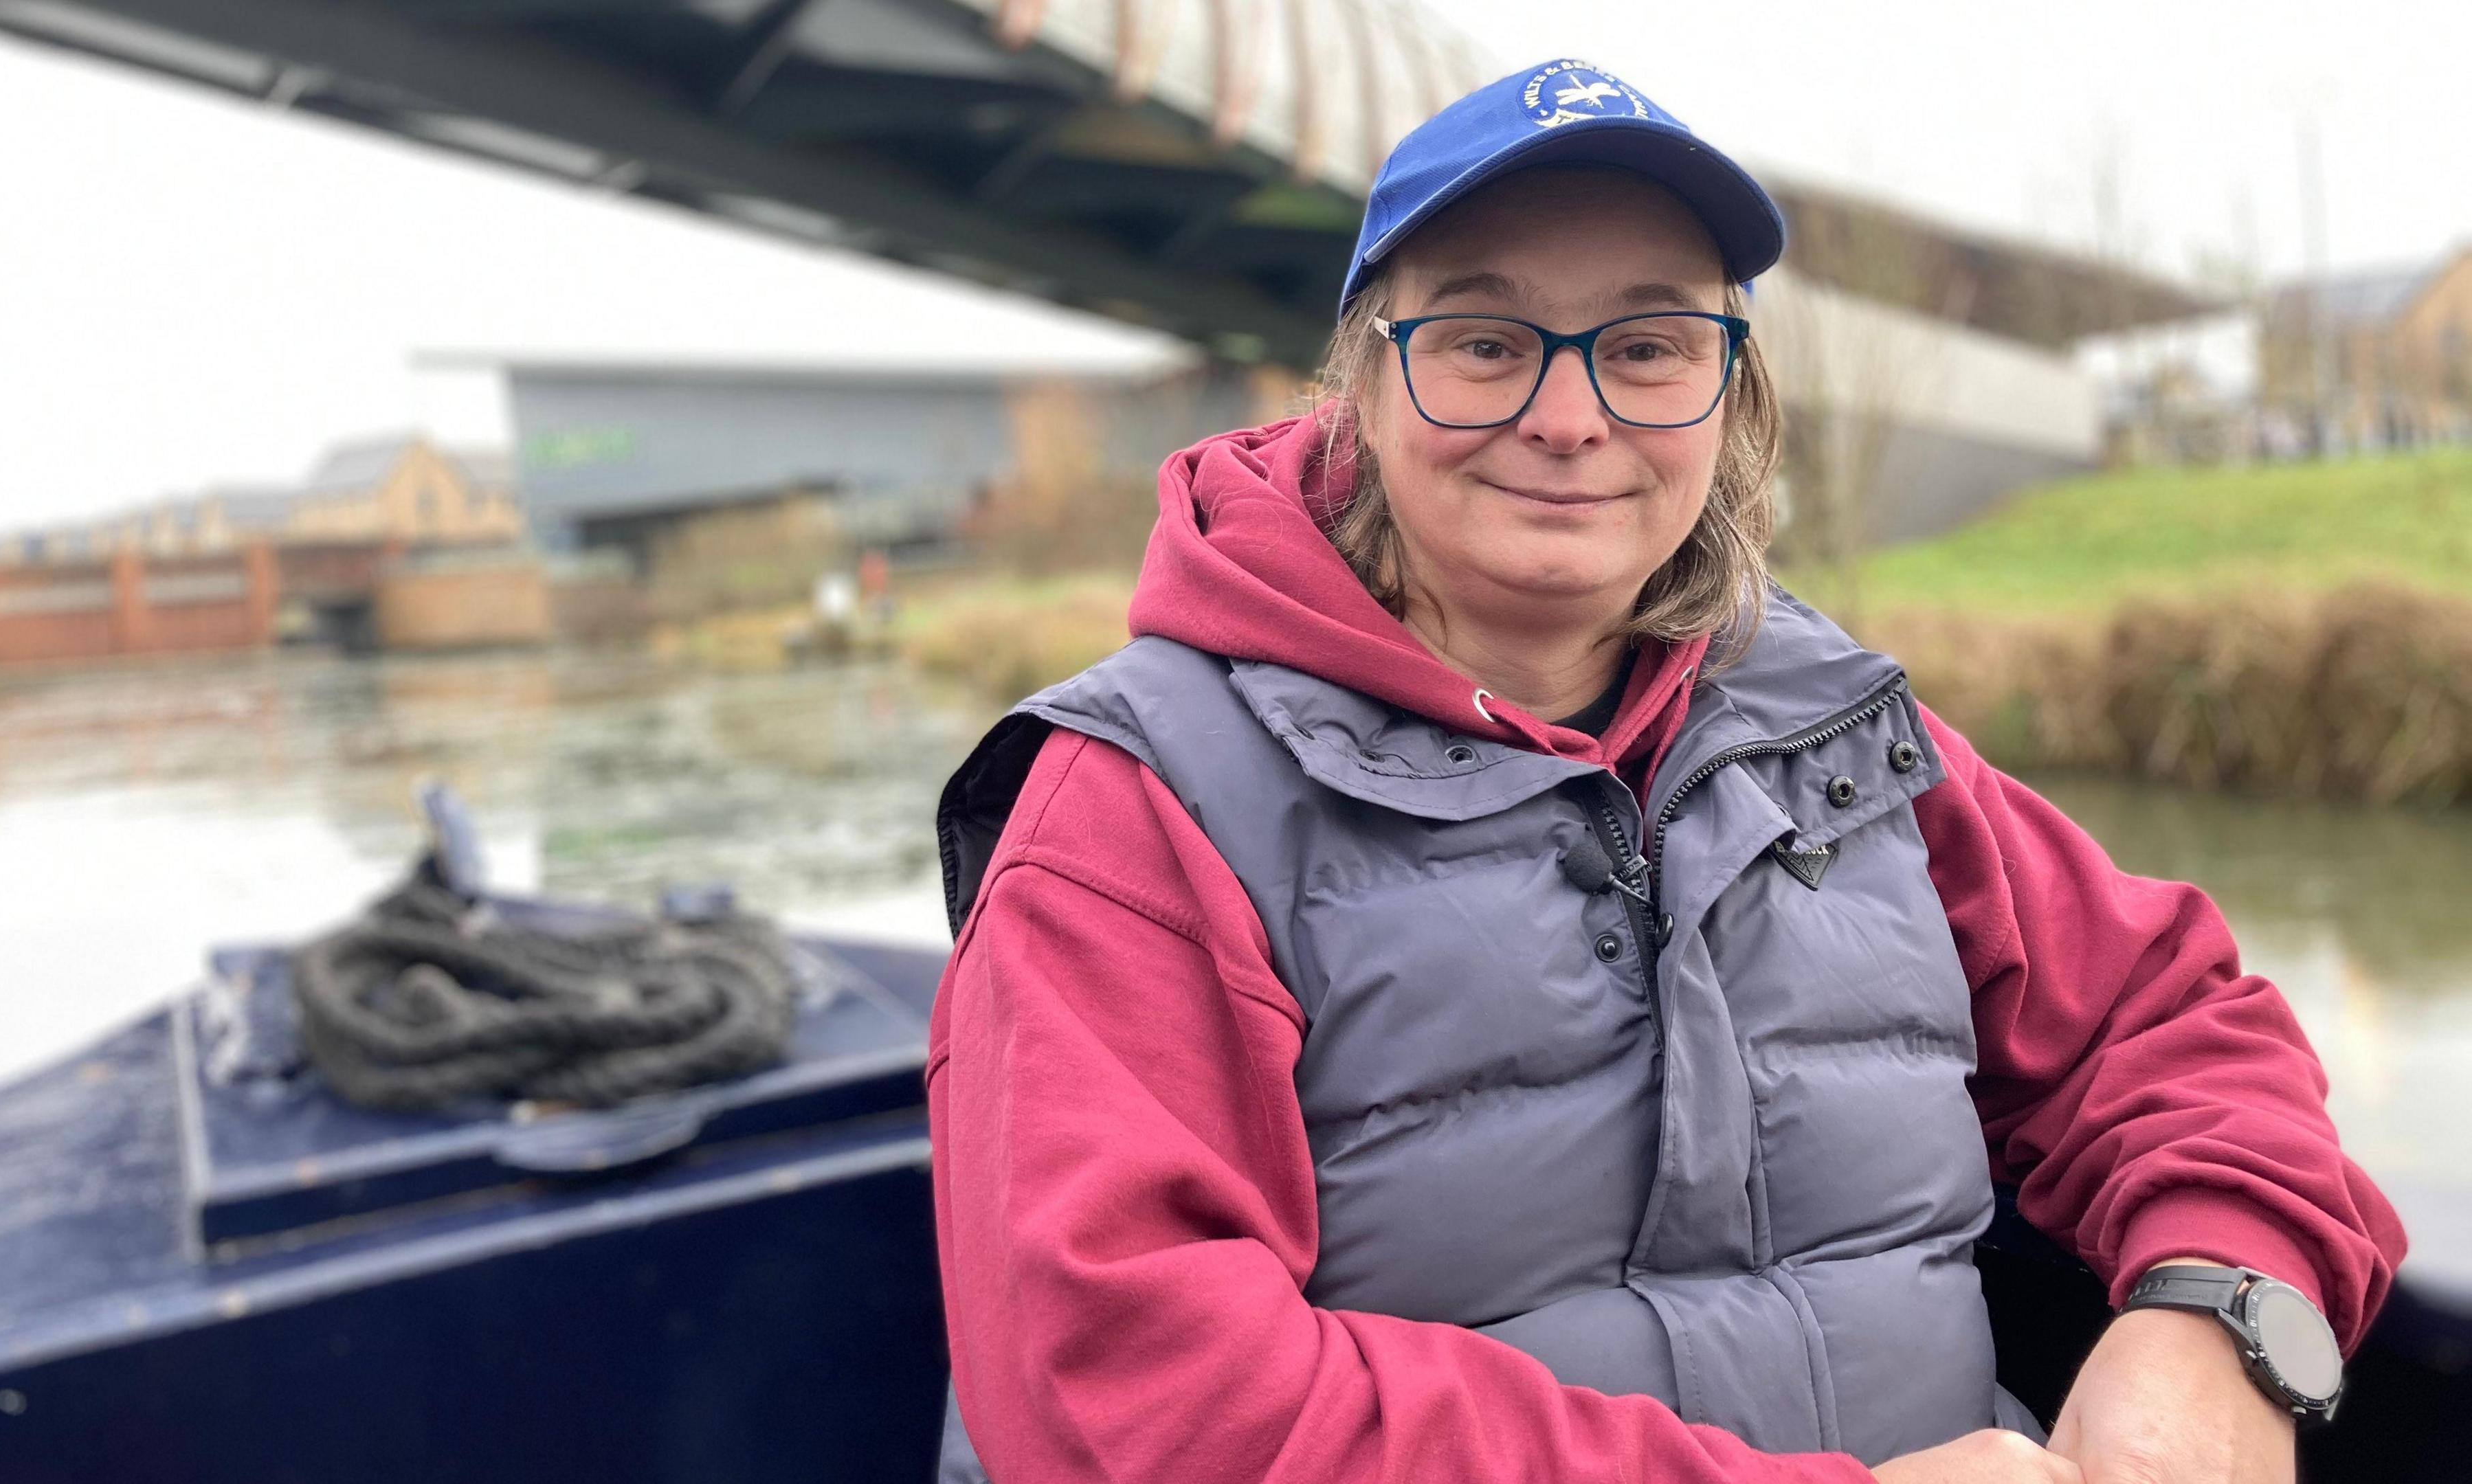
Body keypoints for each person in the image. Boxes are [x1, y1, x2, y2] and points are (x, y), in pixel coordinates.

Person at [927, 58, 2403, 1484]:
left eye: (1647, 347)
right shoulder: (1137, 811)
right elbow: (1128, 1402)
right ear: (1361, 393)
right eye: (1486, 343)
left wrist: (2225, 1314)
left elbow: (2169, 1019)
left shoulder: (1835, 726)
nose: (1569, 420)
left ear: (1725, 394)